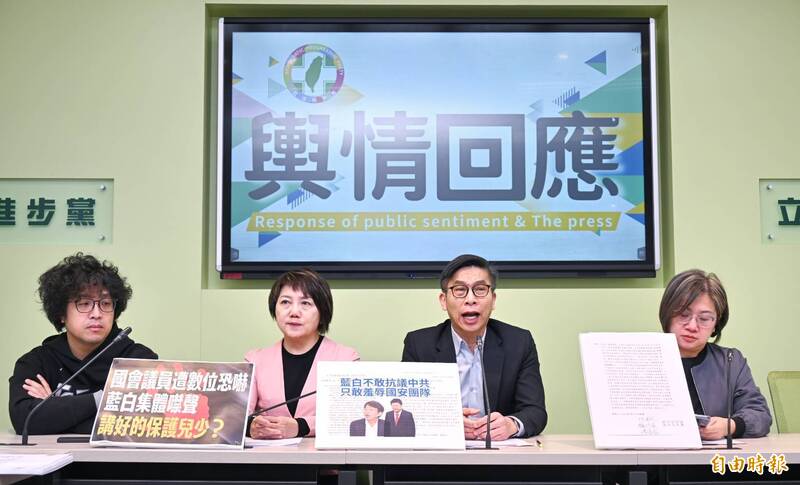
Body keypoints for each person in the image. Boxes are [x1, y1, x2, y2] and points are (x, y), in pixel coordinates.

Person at [8, 253, 158, 435]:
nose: (96, 313)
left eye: (105, 303)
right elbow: (25, 421)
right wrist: (101, 400)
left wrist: (54, 410)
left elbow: (143, 424)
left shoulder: (138, 360)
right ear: (61, 313)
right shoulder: (37, 362)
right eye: (84, 303)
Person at [402, 254, 547, 440]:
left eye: (480, 289)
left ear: (493, 299)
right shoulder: (419, 344)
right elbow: (408, 409)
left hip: (500, 453)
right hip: (444, 453)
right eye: (459, 290)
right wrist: (447, 424)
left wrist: (511, 425)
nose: (470, 299)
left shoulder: (518, 342)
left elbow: (535, 411)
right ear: (443, 300)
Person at [246, 269, 359, 439]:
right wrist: (251, 427)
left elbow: (348, 417)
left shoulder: (345, 359)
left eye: (305, 303)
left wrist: (301, 426)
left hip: (320, 454)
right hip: (266, 453)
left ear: (322, 311)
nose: (294, 312)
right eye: (285, 302)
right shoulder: (256, 359)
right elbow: (238, 415)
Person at [660, 269, 771, 439]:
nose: (692, 326)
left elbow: (760, 415)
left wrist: (729, 426)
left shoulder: (730, 362)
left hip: (711, 454)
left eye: (704, 319)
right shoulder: (641, 357)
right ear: (668, 315)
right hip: (653, 453)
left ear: (715, 325)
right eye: (684, 315)